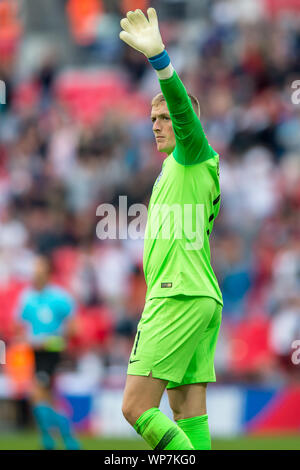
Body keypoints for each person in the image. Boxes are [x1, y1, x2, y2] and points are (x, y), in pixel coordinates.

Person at [120, 8, 223, 450]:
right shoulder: (177, 171)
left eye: (165, 118)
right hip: (200, 296)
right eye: (153, 120)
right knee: (186, 411)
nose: (158, 125)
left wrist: (160, 59)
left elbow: (182, 111)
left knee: (135, 408)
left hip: (176, 293)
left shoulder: (193, 154)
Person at [16, 254, 80, 450]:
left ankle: (52, 438)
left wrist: (55, 339)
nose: (36, 275)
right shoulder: (27, 297)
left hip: (51, 353)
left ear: (48, 273)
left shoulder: (59, 297)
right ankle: (65, 439)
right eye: (34, 271)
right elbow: (19, 326)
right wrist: (27, 338)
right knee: (47, 398)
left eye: (40, 271)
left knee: (37, 393)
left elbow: (74, 327)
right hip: (35, 352)